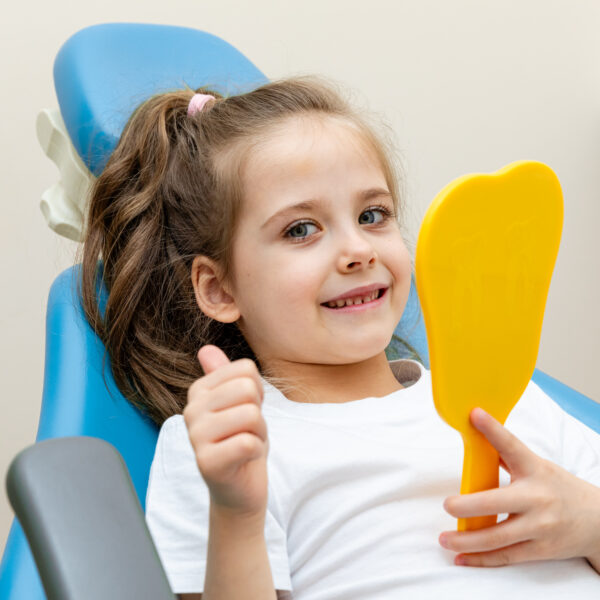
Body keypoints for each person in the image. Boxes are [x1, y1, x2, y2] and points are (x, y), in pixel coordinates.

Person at [80, 76, 600, 600]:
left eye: (372, 216)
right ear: (218, 288)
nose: (358, 250)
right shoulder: (228, 447)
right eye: (301, 230)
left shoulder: (509, 400)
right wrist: (237, 515)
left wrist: (589, 522)